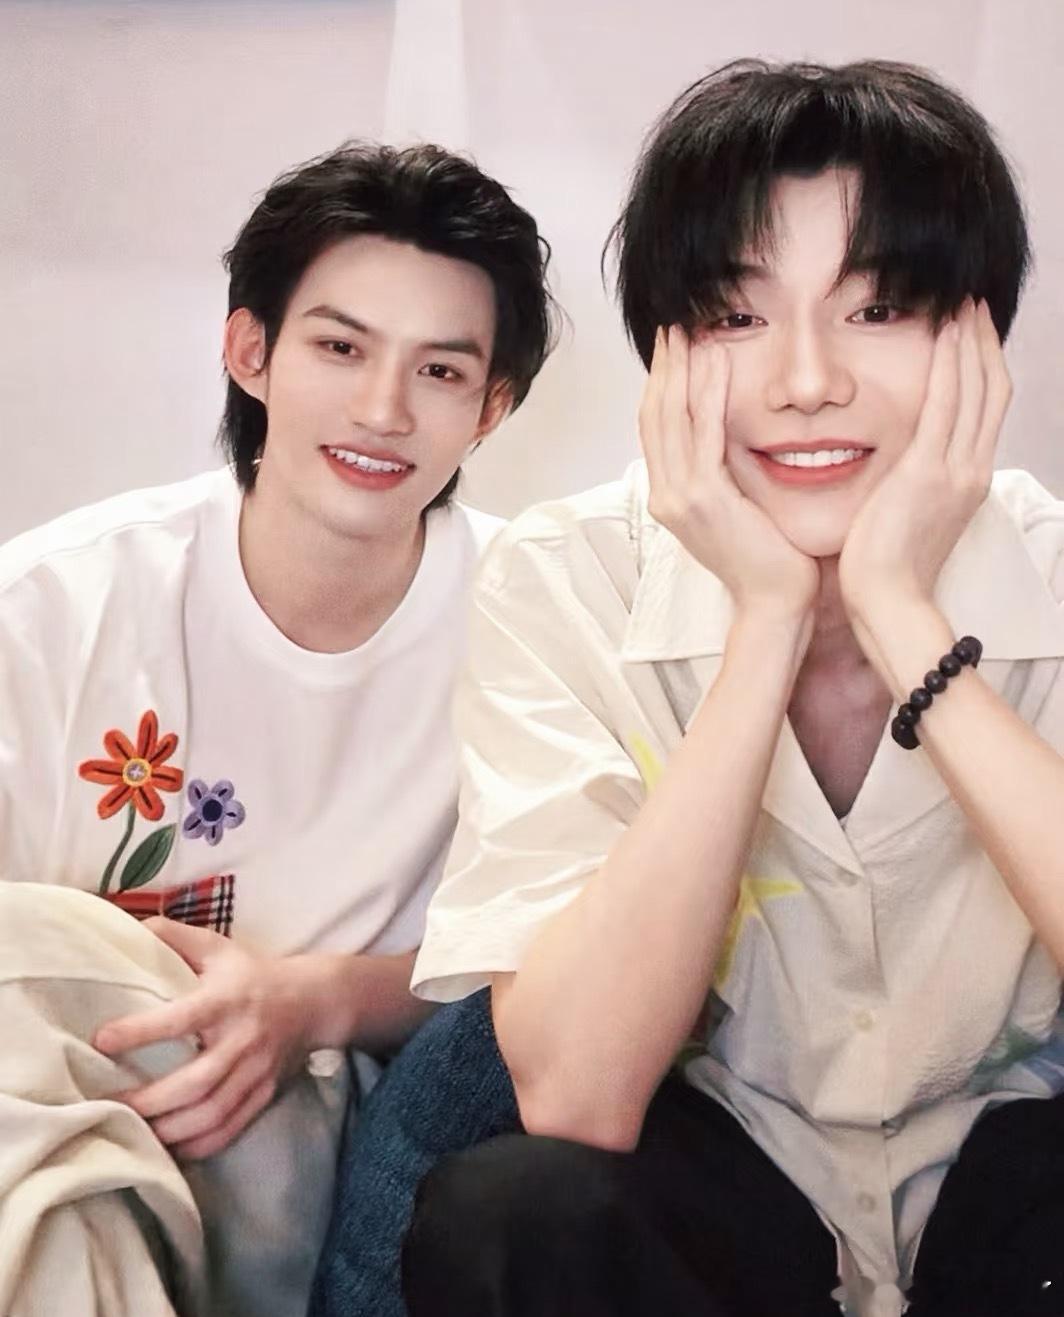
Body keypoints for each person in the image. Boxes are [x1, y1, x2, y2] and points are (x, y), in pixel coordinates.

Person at [393, 60, 1064, 1317]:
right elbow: (577, 1093)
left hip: (1009, 1181)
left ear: (976, 337)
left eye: (876, 309)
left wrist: (901, 617)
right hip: (726, 1181)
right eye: (736, 317)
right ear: (664, 352)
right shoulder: (565, 578)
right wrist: (764, 624)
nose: (804, 380)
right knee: (510, 1215)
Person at [0, 140, 556, 1316]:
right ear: (249, 351)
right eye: (339, 348)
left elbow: (554, 975)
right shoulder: (51, 605)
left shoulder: (538, 625)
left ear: (491, 407)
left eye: (440, 370)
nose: (381, 409)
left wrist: (308, 1000)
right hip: (52, 1106)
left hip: (306, 1138)